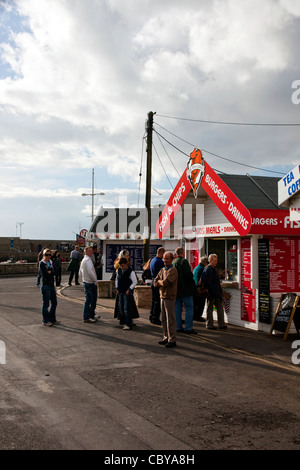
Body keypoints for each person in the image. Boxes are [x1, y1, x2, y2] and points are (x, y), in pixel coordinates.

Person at [154, 251, 178, 348]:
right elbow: (155, 282)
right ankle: (165, 337)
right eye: (164, 258)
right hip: (162, 296)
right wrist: (160, 282)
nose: (165, 260)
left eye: (167, 258)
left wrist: (160, 282)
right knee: (163, 319)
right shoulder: (162, 269)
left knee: (170, 319)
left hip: (169, 297)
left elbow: (166, 282)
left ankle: (172, 339)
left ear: (172, 259)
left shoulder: (173, 270)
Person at [173, 247, 197, 334]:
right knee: (189, 308)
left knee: (177, 308)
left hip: (176, 289)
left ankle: (178, 326)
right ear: (183, 253)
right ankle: (188, 328)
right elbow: (188, 275)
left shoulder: (174, 262)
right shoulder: (184, 261)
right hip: (185, 289)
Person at [201, 253, 227, 330]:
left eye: (216, 261)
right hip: (211, 292)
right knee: (210, 309)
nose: (216, 262)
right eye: (214, 261)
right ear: (210, 261)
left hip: (216, 292)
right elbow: (205, 281)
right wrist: (212, 288)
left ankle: (221, 324)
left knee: (219, 309)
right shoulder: (208, 269)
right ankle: (210, 325)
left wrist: (219, 290)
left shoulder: (213, 269)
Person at [113, 249, 139, 324]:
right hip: (123, 289)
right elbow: (118, 278)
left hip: (126, 289)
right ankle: (124, 320)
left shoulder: (127, 266)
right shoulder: (120, 265)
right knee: (123, 307)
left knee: (127, 306)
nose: (129, 257)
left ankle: (127, 321)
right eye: (127, 255)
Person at [39, 248, 60, 326]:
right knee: (46, 304)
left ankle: (52, 319)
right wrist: (50, 272)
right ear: (43, 255)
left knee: (54, 303)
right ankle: (45, 320)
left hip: (51, 285)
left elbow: (55, 272)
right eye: (46, 255)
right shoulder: (42, 263)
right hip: (46, 286)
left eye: (49, 255)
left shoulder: (51, 262)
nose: (48, 256)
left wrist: (50, 272)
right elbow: (45, 275)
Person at [79, 245, 100, 323]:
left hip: (86, 282)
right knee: (91, 301)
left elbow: (80, 272)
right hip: (90, 283)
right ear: (86, 252)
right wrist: (95, 281)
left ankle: (91, 315)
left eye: (92, 251)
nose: (91, 252)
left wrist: (83, 279)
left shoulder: (84, 260)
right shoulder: (88, 260)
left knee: (88, 300)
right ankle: (88, 317)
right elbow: (91, 272)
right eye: (90, 251)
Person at [149, 247, 165, 325]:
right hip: (157, 282)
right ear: (161, 253)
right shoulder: (159, 262)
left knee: (153, 301)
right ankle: (155, 318)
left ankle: (151, 316)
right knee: (157, 302)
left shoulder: (153, 260)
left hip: (152, 280)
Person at [193, 255, 209, 322]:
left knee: (195, 304)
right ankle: (198, 317)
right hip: (200, 289)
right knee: (201, 304)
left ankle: (194, 316)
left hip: (194, 288)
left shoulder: (196, 268)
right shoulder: (203, 269)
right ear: (205, 263)